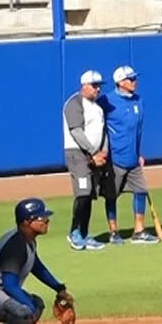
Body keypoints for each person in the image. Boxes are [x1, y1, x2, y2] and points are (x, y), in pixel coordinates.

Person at [101, 65, 160, 245]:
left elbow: (138, 130)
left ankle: (139, 231)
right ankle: (113, 232)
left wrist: (139, 152)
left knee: (140, 190)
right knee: (111, 195)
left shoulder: (138, 101)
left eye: (135, 78)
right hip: (114, 159)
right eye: (130, 79)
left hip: (133, 158)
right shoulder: (106, 101)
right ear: (120, 82)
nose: (135, 82)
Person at [62, 70, 109, 252]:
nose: (98, 89)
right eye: (95, 86)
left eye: (99, 86)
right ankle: (74, 232)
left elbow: (102, 132)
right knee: (83, 193)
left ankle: (84, 233)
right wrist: (93, 152)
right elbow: (76, 131)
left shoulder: (97, 107)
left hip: (94, 155)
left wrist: (103, 152)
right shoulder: (74, 103)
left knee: (89, 195)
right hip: (78, 154)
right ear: (85, 85)